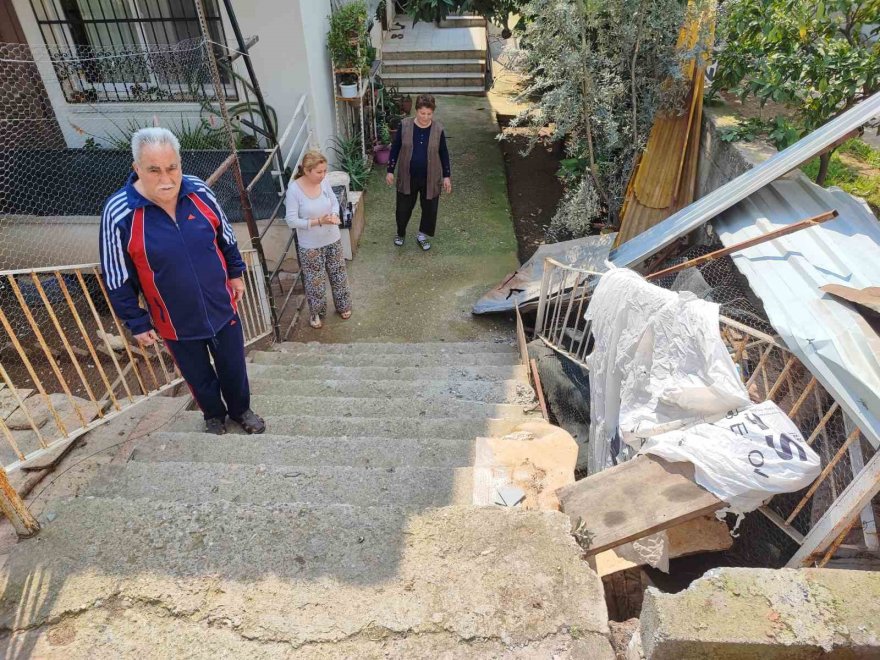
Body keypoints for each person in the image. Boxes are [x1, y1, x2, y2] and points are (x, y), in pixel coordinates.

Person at [99, 127, 265, 436]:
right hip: (173, 320)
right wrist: (136, 321)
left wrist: (236, 273)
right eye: (154, 170)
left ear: (180, 163)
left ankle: (241, 410)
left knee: (233, 366)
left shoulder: (199, 190)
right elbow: (116, 274)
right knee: (197, 374)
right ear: (137, 168)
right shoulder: (119, 212)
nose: (166, 178)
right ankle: (213, 415)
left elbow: (225, 235)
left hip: (221, 304)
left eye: (172, 167)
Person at [284, 150, 353, 329]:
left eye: (324, 171)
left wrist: (333, 214)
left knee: (339, 275)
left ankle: (343, 306)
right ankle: (316, 313)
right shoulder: (294, 190)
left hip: (332, 238)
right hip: (311, 245)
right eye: (319, 172)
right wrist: (317, 222)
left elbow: (334, 201)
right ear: (307, 171)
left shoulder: (324, 183)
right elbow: (291, 220)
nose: (323, 175)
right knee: (315, 282)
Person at [385, 94, 452, 251]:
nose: (425, 117)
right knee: (403, 208)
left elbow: (444, 153)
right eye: (422, 113)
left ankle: (422, 234)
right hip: (407, 177)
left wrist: (446, 176)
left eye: (429, 114)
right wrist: (390, 171)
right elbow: (395, 149)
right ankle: (400, 233)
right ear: (416, 111)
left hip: (431, 178)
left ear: (433, 113)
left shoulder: (438, 129)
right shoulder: (405, 125)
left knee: (430, 208)